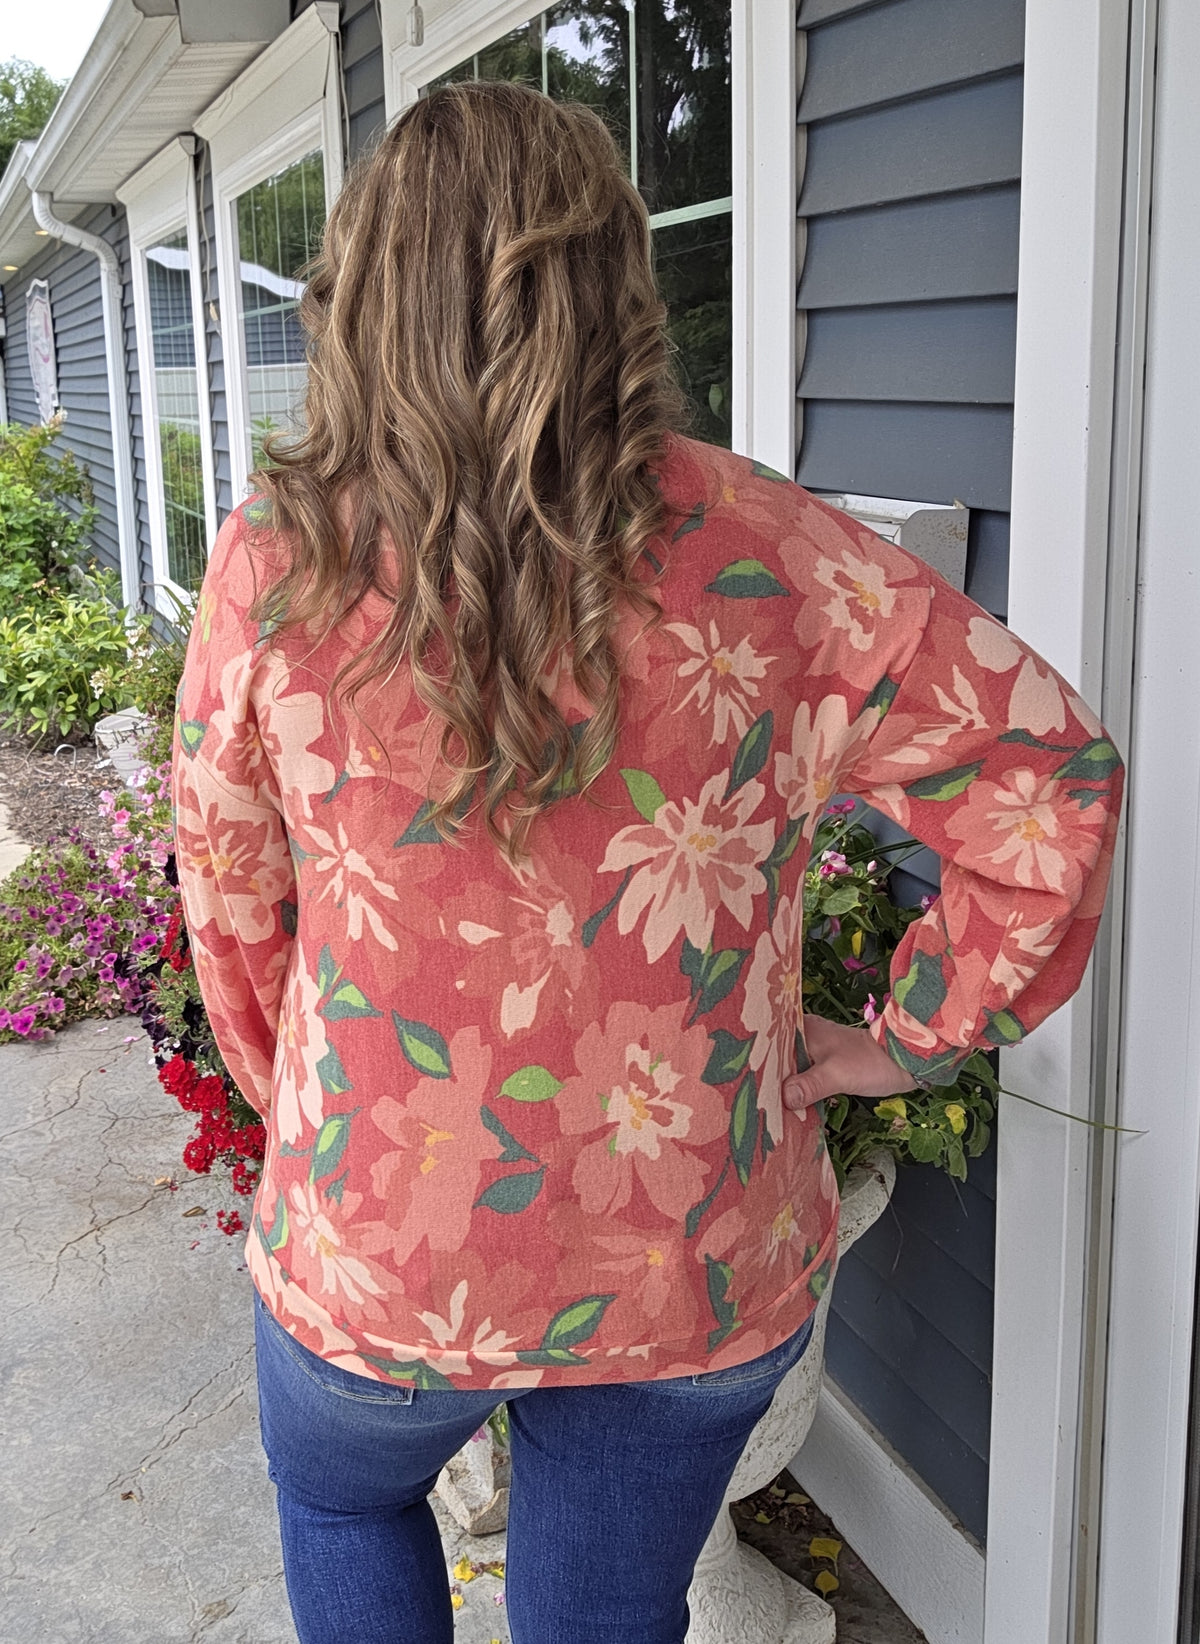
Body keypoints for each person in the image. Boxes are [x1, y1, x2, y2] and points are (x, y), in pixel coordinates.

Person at [171, 81, 1122, 1644]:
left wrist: (308, 1107)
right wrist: (904, 1039)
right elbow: (1048, 775)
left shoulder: (283, 563)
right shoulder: (771, 554)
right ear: (616, 286)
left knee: (343, 1499)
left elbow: (229, 883)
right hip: (690, 1251)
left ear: (359, 300)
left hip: (378, 1244)